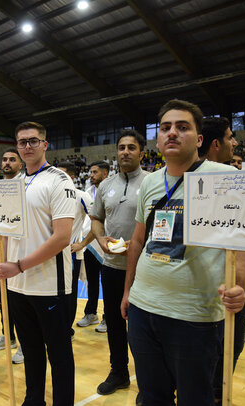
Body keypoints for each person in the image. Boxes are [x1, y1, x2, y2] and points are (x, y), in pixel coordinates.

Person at [120, 99, 245, 405]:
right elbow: (138, 241)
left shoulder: (226, 177)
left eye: (183, 127)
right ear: (157, 139)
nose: (172, 133)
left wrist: (240, 285)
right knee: (151, 396)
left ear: (200, 138)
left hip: (195, 316)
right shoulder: (152, 181)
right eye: (165, 128)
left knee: (195, 398)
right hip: (143, 308)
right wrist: (128, 290)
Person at [0, 121, 77, 405]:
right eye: (22, 142)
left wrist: (20, 265)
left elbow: (63, 237)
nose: (27, 146)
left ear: (45, 144)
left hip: (50, 286)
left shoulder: (60, 181)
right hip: (16, 286)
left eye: (33, 141)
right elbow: (3, 237)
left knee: (59, 355)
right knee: (30, 351)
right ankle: (33, 400)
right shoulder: (11, 186)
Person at [200, 117, 245, 401]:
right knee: (213, 367)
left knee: (224, 362)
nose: (235, 143)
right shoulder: (203, 186)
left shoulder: (236, 183)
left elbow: (243, 240)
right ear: (215, 144)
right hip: (215, 296)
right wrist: (242, 279)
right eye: (230, 137)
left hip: (234, 290)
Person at [87, 130, 149, 395]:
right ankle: (119, 371)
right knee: (113, 322)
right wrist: (100, 239)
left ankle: (148, 382)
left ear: (142, 153)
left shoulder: (152, 182)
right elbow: (96, 218)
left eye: (131, 148)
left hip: (144, 268)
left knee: (142, 328)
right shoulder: (106, 185)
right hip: (111, 266)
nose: (125, 152)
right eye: (122, 147)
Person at [0, 148, 24, 364]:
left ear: (20, 164)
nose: (7, 162)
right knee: (3, 299)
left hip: (20, 257)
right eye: (4, 159)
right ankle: (7, 336)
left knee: (19, 305)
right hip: (2, 252)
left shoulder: (24, 187)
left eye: (12, 159)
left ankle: (25, 344)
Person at [56, 162, 94, 343]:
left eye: (61, 174)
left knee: (68, 294)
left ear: (71, 177)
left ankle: (66, 330)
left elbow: (99, 221)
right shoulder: (52, 195)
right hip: (49, 253)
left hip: (70, 252)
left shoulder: (81, 196)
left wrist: (83, 243)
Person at [72, 160, 110, 332]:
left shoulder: (111, 191)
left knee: (109, 284)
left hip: (107, 243)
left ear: (105, 173)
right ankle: (91, 313)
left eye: (95, 172)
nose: (91, 175)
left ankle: (108, 317)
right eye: (91, 172)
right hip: (89, 244)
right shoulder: (88, 192)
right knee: (92, 282)